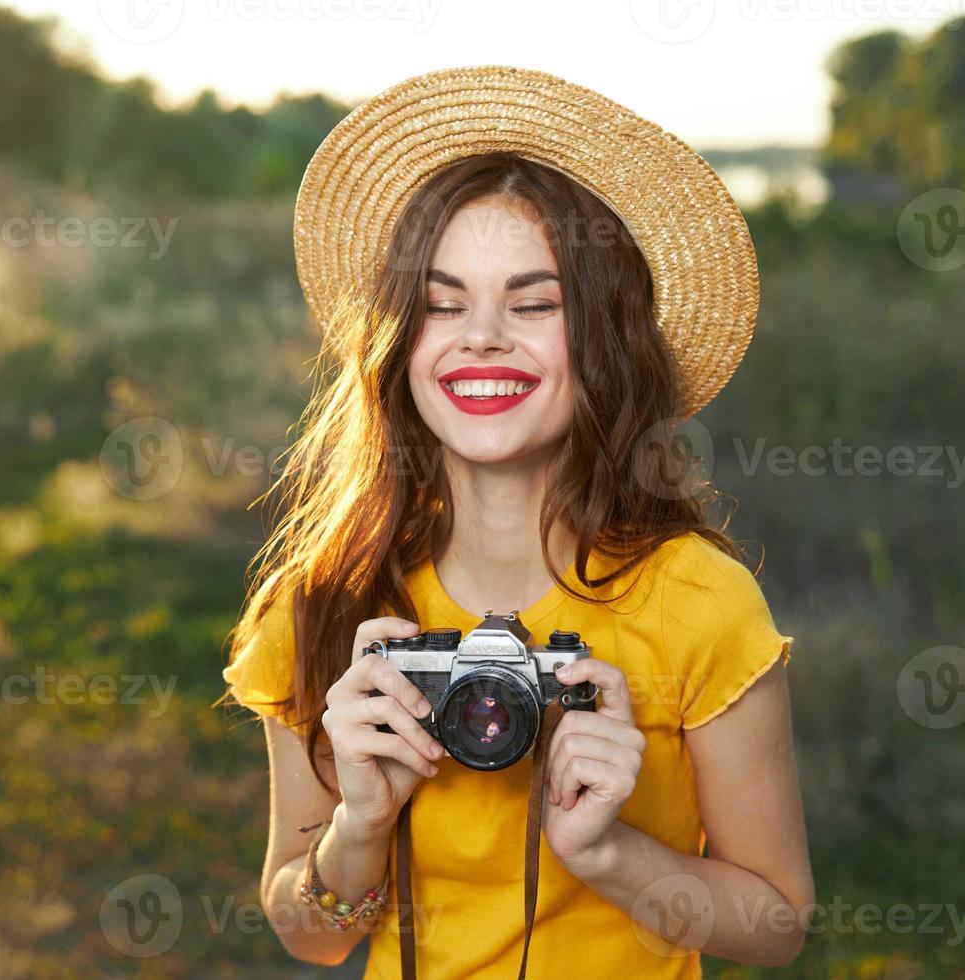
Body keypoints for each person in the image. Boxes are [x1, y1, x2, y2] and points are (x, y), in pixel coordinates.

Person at [220, 65, 813, 979]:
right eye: (440, 304)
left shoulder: (697, 601)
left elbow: (774, 924)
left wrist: (609, 852)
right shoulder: (325, 604)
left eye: (534, 304)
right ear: (399, 346)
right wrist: (361, 824)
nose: (482, 336)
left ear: (604, 341)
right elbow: (311, 930)